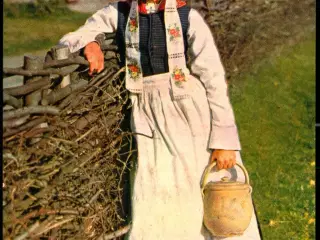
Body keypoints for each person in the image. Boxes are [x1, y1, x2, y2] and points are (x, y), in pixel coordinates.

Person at [59, 0, 261, 239]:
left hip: (192, 118)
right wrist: (90, 43)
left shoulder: (188, 17)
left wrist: (224, 141)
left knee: (207, 192)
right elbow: (70, 39)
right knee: (157, 191)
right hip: (148, 118)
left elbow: (214, 79)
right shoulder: (119, 13)